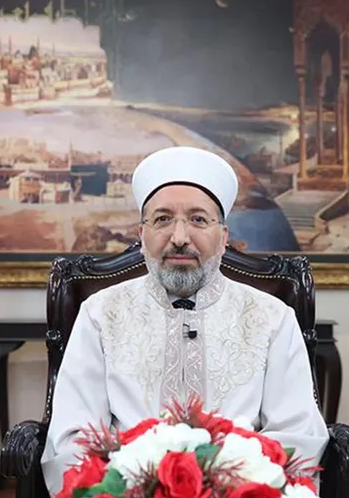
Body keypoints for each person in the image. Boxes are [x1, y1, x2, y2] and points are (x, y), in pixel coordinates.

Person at [41, 146, 329, 494]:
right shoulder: (101, 313)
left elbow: (295, 433)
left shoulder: (272, 318)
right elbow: (75, 436)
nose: (179, 238)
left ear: (223, 238)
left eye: (198, 219)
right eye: (162, 219)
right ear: (142, 235)